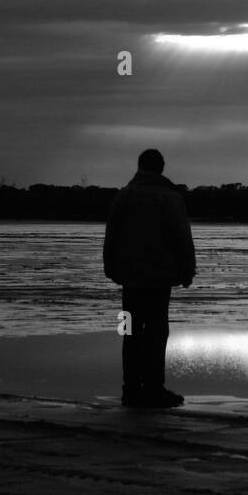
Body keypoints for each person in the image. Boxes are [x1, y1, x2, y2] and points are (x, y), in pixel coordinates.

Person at [103, 149, 196, 409]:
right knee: (156, 332)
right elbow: (181, 236)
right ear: (162, 168)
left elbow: (111, 235)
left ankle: (131, 389)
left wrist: (110, 267)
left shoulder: (124, 196)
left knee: (131, 333)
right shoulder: (169, 197)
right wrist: (187, 269)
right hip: (159, 278)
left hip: (131, 278)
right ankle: (153, 388)